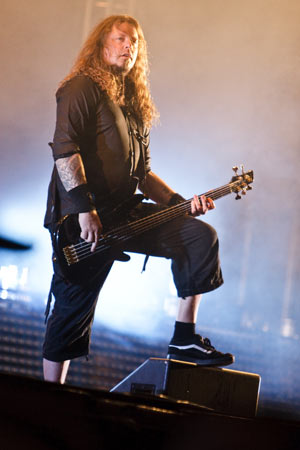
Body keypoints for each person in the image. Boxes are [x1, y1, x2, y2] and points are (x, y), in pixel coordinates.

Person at [43, 14, 234, 384]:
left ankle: (183, 339)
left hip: (125, 213)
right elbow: (65, 151)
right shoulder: (81, 87)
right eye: (121, 39)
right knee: (72, 309)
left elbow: (142, 175)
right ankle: (52, 395)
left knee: (199, 236)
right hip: (82, 218)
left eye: (135, 43)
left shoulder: (132, 105)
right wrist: (85, 210)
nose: (129, 47)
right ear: (102, 44)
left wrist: (180, 203)